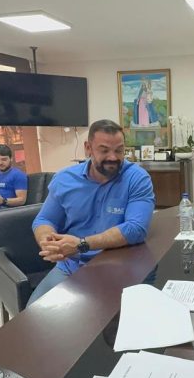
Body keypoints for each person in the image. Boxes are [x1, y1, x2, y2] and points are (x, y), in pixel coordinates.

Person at [28, 119, 155, 305]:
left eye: (119, 150)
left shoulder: (136, 178)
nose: (113, 157)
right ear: (88, 148)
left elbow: (136, 228)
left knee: (114, 318)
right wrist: (48, 242)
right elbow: (44, 219)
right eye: (104, 150)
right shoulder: (64, 179)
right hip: (71, 267)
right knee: (34, 314)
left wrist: (81, 244)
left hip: (119, 265)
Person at [0, 144, 28, 210]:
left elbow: (22, 200)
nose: (0, 163)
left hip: (4, 209)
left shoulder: (18, 175)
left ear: (11, 158)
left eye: (4, 159)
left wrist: (3, 201)